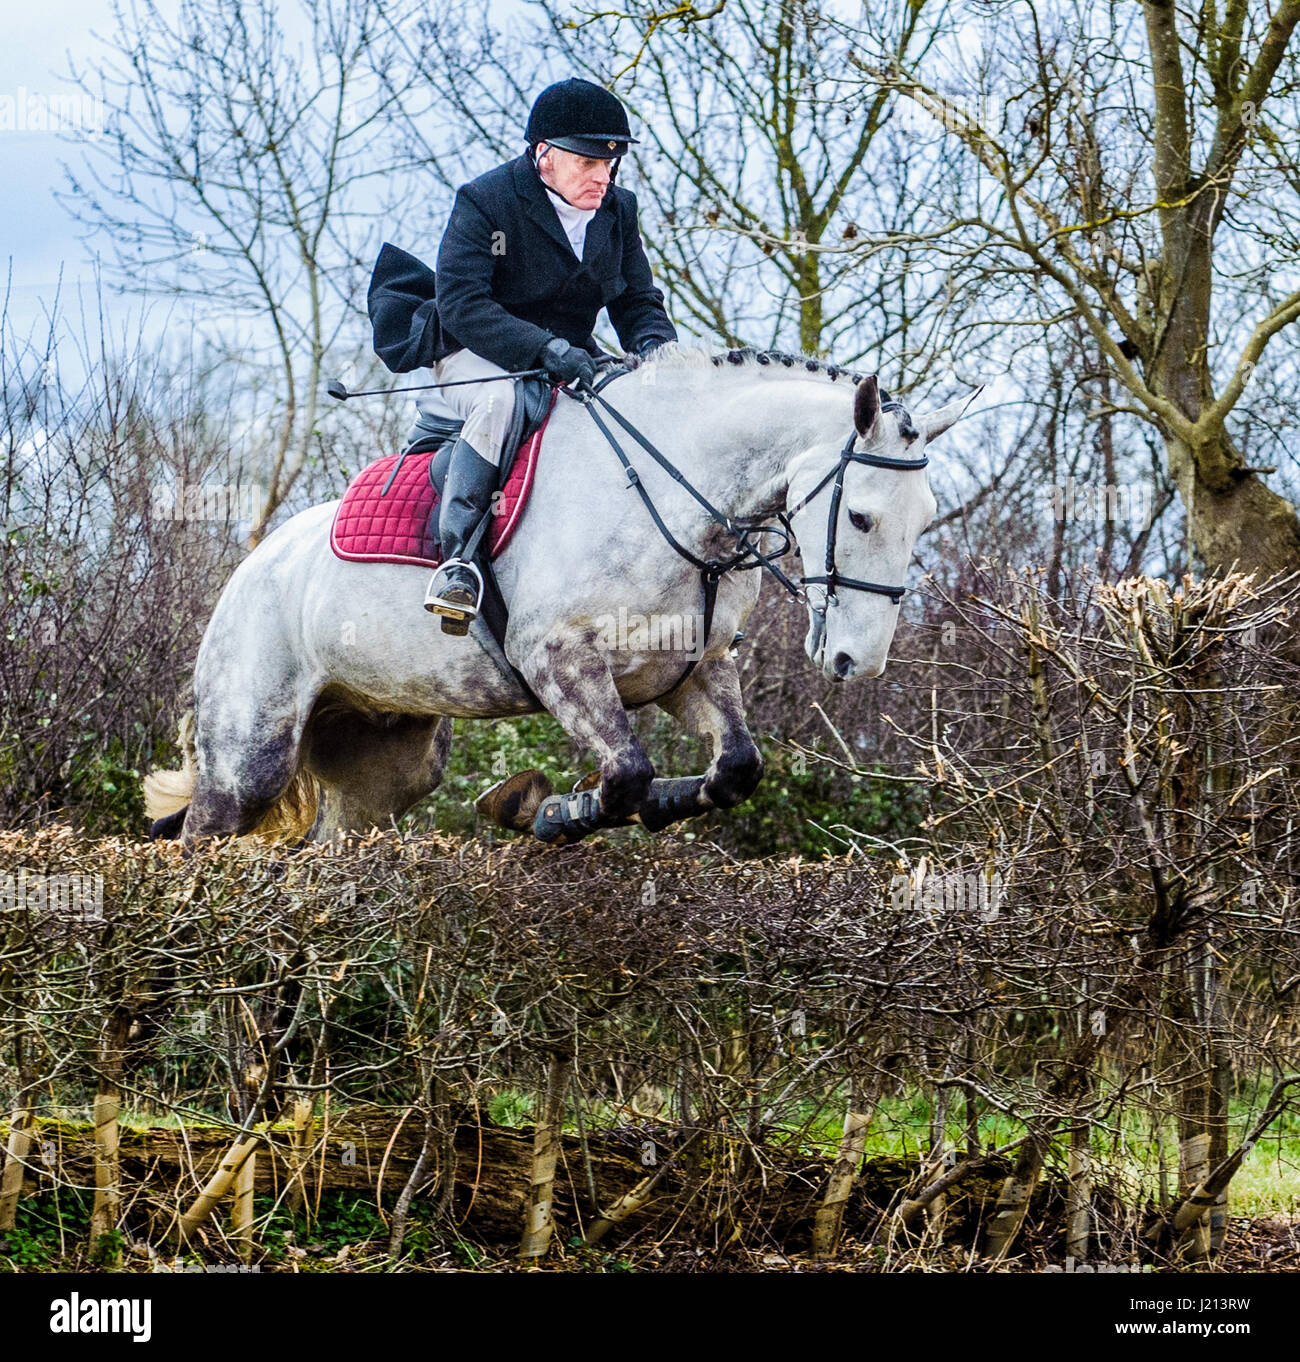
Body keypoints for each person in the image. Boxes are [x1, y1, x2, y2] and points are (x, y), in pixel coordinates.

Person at [411, 77, 678, 632]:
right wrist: (545, 348)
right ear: (545, 156)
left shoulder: (619, 211)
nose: (603, 176)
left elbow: (635, 300)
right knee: (505, 403)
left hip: (565, 355)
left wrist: (658, 356)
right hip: (473, 351)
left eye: (612, 163)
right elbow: (461, 304)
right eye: (588, 162)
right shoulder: (487, 201)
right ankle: (458, 562)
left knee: (634, 410)